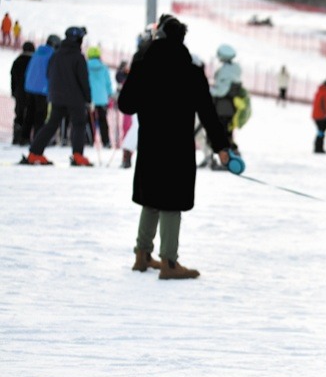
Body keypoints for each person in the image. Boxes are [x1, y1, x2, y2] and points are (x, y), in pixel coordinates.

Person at [117, 16, 230, 279]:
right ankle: (169, 263)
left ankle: (142, 255)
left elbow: (126, 105)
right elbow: (208, 114)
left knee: (151, 198)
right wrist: (222, 147)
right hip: (177, 147)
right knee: (170, 202)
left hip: (149, 145)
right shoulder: (190, 71)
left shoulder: (143, 66)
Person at [22, 27, 93, 166]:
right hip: (75, 97)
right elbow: (83, 80)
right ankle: (78, 155)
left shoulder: (56, 55)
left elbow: (49, 74)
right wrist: (88, 97)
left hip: (56, 96)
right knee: (78, 124)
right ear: (77, 40)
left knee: (51, 125)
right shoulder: (78, 57)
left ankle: (34, 153)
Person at [22, 34, 60, 148]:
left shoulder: (37, 52)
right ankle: (38, 139)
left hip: (30, 86)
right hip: (43, 89)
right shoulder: (52, 55)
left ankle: (24, 137)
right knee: (41, 115)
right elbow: (52, 72)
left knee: (29, 113)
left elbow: (29, 69)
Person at [210, 43, 243, 159]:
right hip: (230, 107)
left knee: (222, 133)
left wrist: (209, 90)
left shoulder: (226, 71)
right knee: (227, 132)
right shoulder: (235, 69)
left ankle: (228, 157)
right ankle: (231, 154)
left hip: (223, 107)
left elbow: (221, 91)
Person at [86, 46, 114, 148]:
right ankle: (106, 142)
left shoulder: (85, 66)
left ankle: (89, 141)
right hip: (102, 98)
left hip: (90, 99)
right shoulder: (104, 67)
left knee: (89, 121)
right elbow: (108, 83)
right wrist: (110, 94)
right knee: (103, 121)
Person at [10, 41, 35, 146]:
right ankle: (26, 137)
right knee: (29, 114)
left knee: (19, 114)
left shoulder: (17, 61)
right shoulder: (33, 61)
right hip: (31, 92)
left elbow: (13, 79)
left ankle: (16, 136)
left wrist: (14, 92)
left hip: (19, 92)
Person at [312, 79, 326, 154]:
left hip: (315, 115)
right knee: (321, 131)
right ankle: (319, 148)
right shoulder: (325, 92)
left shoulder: (319, 90)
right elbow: (325, 105)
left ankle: (317, 147)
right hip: (320, 116)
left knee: (320, 131)